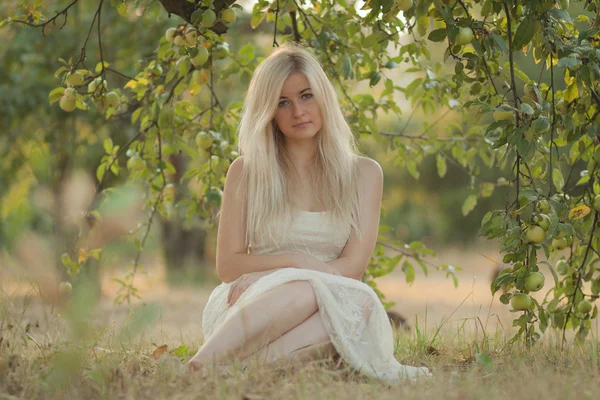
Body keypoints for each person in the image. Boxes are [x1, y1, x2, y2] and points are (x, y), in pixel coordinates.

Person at [187, 42, 431, 384]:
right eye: (282, 102)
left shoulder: (364, 173)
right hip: (252, 304)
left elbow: (353, 269)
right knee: (306, 288)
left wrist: (304, 270)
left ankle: (233, 373)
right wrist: (294, 266)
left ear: (324, 98)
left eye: (306, 95)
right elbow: (228, 265)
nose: (298, 111)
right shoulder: (246, 171)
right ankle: (203, 362)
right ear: (268, 111)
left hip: (330, 298)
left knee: (360, 306)